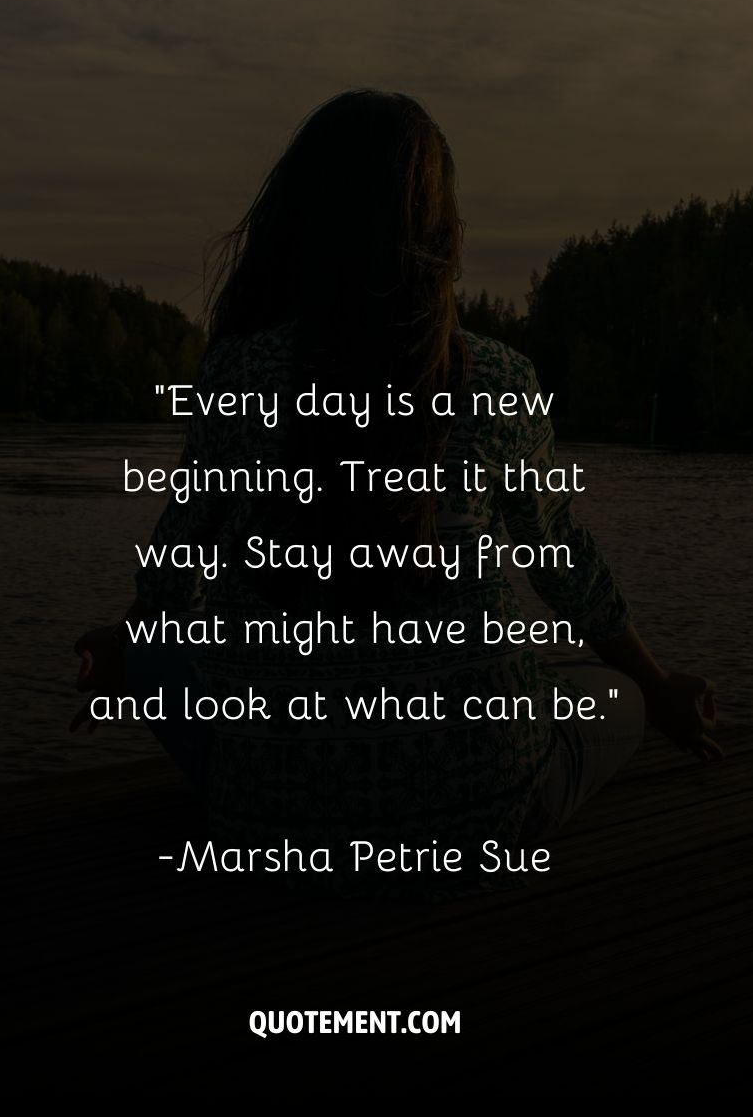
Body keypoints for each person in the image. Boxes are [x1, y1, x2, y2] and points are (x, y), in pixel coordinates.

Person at [72, 89, 719, 894]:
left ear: (298, 220)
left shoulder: (238, 372)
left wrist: (130, 643)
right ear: (439, 233)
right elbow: (567, 569)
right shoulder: (498, 379)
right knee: (610, 693)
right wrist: (658, 687)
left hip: (267, 817)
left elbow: (173, 572)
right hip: (480, 817)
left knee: (168, 655)